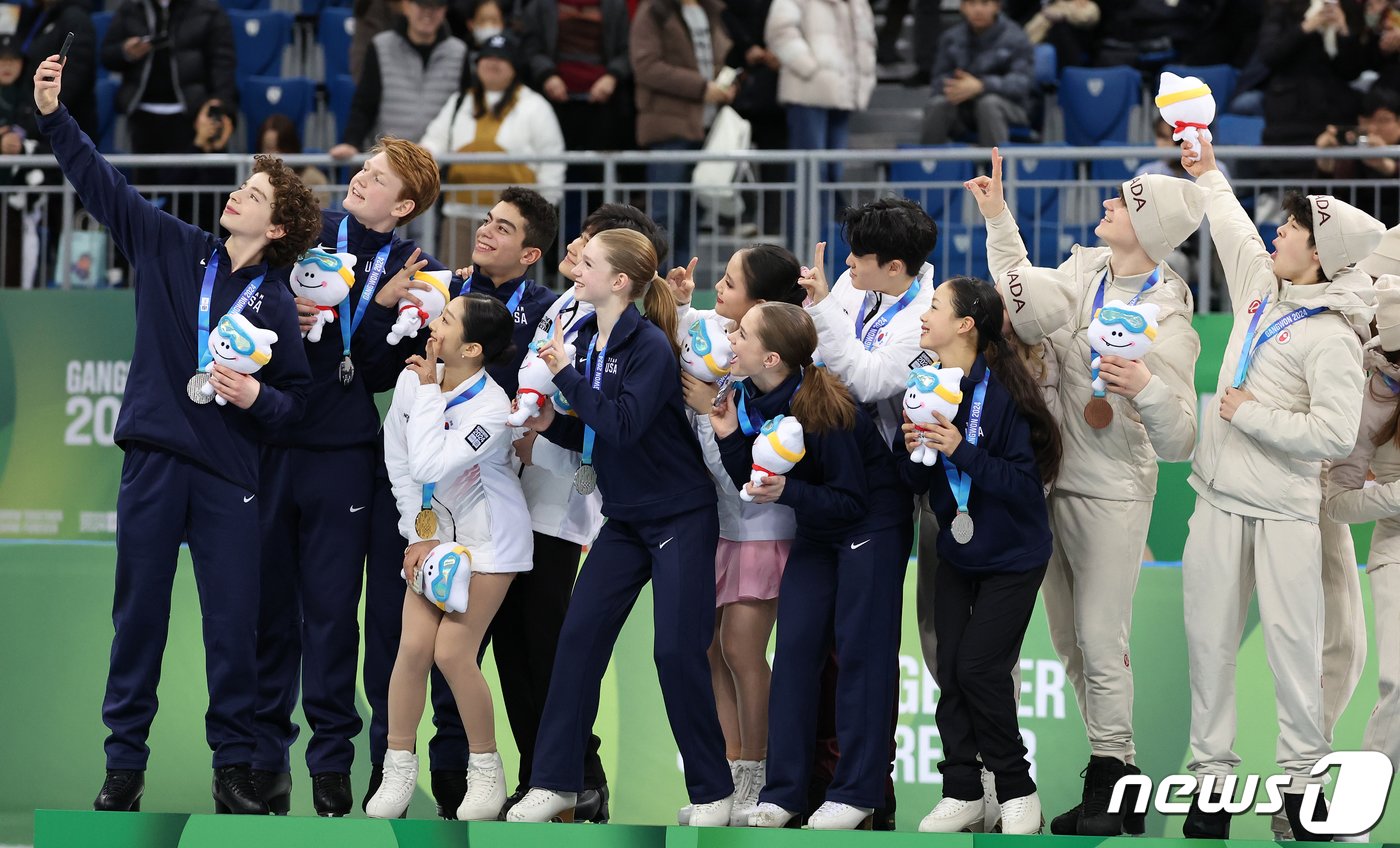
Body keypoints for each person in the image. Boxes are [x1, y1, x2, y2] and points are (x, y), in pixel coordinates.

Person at [32, 53, 321, 815]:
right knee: (139, 621)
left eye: (253, 193)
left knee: (233, 631)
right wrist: (56, 116)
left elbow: (296, 407)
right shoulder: (169, 245)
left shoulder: (278, 304)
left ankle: (234, 772)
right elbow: (102, 185)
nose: (237, 193)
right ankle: (123, 769)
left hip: (230, 479)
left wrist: (258, 394)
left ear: (278, 226)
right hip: (156, 463)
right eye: (242, 185)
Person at [966, 147, 1203, 836]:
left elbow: (1182, 439)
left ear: (1150, 229)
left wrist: (1147, 388)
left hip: (1111, 494)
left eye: (1122, 203)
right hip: (1047, 485)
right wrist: (997, 217)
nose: (1105, 204)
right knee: (1070, 645)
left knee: (1102, 640)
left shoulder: (1171, 320)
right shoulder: (1083, 270)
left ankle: (1115, 778)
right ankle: (1112, 780)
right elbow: (1026, 298)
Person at [1179, 134, 1382, 840]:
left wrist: (1250, 413)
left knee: (1296, 659)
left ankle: (1300, 796)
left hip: (1289, 514)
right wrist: (1206, 171)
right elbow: (1232, 224)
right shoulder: (1261, 289)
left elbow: (1332, 434)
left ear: (1320, 254)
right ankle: (1210, 792)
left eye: (1293, 229)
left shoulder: (1332, 336)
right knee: (1207, 650)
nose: (1278, 232)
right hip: (1215, 501)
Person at [507, 229, 735, 826]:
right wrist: (536, 425)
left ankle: (713, 792)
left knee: (677, 653)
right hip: (626, 517)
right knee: (577, 642)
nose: (575, 268)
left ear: (621, 283)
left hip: (680, 515)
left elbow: (624, 425)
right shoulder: (582, 335)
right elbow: (589, 427)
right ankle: (555, 782)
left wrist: (565, 378)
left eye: (588, 263)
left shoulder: (649, 347)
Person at [252, 135, 452, 818]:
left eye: (377, 178)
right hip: (270, 440)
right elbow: (245, 301)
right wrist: (286, 309)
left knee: (334, 617)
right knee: (268, 613)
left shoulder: (416, 269)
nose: (360, 181)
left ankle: (331, 764)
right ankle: (261, 763)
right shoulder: (306, 233)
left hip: (341, 451)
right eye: (362, 170)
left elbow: (373, 371)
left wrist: (380, 310)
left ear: (404, 204)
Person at [496, 203, 669, 823]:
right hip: (525, 489)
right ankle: (539, 776)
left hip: (576, 504)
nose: (577, 247)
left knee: (553, 643)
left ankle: (580, 778)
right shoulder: (565, 311)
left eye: (591, 245)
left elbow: (608, 418)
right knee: (520, 647)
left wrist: (554, 419)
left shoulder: (631, 334)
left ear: (620, 271)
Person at [711, 302, 908, 830]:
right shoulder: (749, 395)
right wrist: (730, 436)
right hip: (820, 528)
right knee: (796, 652)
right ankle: (785, 793)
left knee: (861, 655)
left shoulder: (828, 406)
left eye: (742, 333)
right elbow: (753, 483)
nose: (731, 339)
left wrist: (788, 490)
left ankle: (858, 792)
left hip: (871, 524)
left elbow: (851, 498)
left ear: (771, 355)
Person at [904, 276, 1060, 836]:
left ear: (966, 325)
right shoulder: (925, 384)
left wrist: (959, 449)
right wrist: (913, 452)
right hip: (957, 550)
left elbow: (1024, 484)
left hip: (1014, 554)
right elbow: (916, 482)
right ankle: (962, 791)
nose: (925, 315)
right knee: (951, 670)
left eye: (936, 307)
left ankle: (1017, 789)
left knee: (979, 669)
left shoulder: (1003, 393)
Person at [367, 292, 532, 821]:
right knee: (412, 648)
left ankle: (486, 773)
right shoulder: (413, 383)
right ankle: (397, 768)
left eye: (446, 320)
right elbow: (398, 466)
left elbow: (428, 460)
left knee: (453, 654)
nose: (433, 327)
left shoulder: (490, 409)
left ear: (474, 347)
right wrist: (415, 535)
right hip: (433, 538)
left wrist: (428, 390)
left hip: (489, 544)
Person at [667, 245, 808, 826]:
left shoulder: (775, 371)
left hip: (760, 526)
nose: (717, 290)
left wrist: (714, 406)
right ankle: (724, 776)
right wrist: (675, 303)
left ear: (762, 309)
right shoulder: (708, 330)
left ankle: (757, 775)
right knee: (707, 649)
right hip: (714, 523)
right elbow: (675, 324)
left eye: (729, 283)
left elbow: (755, 460)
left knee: (743, 651)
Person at [1325, 275, 1400, 843]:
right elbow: (1338, 501)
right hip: (1395, 548)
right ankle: (1350, 824)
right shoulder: (1376, 394)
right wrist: (1395, 496)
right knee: (1398, 684)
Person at [419, 34, 565, 260]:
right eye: (487, 57)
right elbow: (434, 142)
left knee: (506, 289)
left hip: (513, 223)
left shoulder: (535, 106)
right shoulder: (460, 101)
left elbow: (552, 160)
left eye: (502, 58)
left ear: (515, 67)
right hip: (460, 215)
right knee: (456, 286)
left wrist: (542, 213)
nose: (493, 63)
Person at [629, 0, 735, 263]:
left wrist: (726, 81)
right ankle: (656, 284)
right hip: (669, 129)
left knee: (692, 216)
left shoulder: (710, 9)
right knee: (664, 214)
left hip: (707, 127)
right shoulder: (653, 10)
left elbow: (715, 58)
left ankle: (682, 285)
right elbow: (646, 66)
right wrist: (701, 87)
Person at [99, 0, 235, 165]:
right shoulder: (132, 7)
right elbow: (107, 56)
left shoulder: (208, 10)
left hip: (190, 114)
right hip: (142, 115)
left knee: (185, 184)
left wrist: (219, 101)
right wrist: (126, 52)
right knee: (144, 187)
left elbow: (222, 62)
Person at [331, 0, 468, 163]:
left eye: (436, 7)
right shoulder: (381, 46)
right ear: (406, 6)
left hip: (440, 165)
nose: (428, 13)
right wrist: (351, 142)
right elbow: (365, 103)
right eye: (421, 5)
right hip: (389, 162)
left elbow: (466, 106)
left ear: (444, 10)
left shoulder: (458, 51)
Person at [764, 0, 876, 186]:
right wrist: (809, 68)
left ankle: (827, 216)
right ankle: (808, 216)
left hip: (845, 93)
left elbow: (866, 40)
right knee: (810, 175)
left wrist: (865, 77)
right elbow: (779, 31)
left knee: (834, 174)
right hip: (807, 93)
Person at [920, 0, 1035, 147]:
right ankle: (929, 165)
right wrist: (959, 86)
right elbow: (937, 82)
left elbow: (1021, 84)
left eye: (985, 3)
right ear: (962, 7)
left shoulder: (1017, 37)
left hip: (1010, 107)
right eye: (972, 3)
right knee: (938, 104)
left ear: (997, 7)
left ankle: (995, 167)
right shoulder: (950, 38)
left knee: (989, 104)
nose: (978, 10)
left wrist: (981, 86)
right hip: (963, 108)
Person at [1316, 85, 1400, 225]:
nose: (1373, 127)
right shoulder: (1351, 156)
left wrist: (1386, 166)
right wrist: (1325, 164)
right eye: (1367, 120)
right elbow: (1329, 204)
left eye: (1383, 120)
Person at [258, 114, 330, 191]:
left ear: (292, 147)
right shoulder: (254, 179)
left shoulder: (315, 180)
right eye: (269, 149)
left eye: (280, 149)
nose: (274, 156)